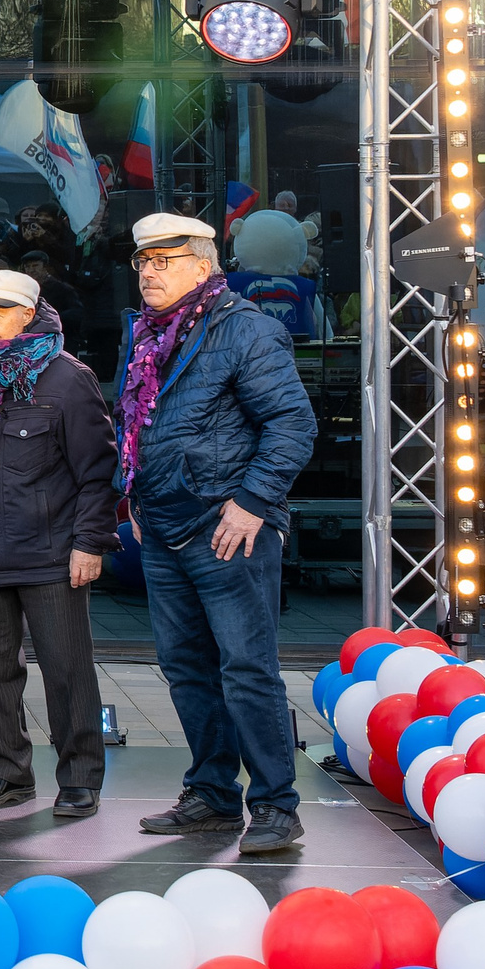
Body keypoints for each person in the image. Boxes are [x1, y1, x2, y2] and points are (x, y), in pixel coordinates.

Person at [115, 211, 317, 853]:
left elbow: (293, 425)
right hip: (167, 527)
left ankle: (278, 807)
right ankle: (212, 794)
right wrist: (140, 501)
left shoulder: (246, 331)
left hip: (229, 529)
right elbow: (145, 427)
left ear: (204, 265)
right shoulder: (146, 336)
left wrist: (253, 502)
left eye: (164, 261)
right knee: (185, 669)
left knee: (247, 670)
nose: (149, 272)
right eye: (143, 262)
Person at [0, 270, 116, 818]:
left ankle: (80, 778)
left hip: (51, 554)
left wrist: (90, 542)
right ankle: (5, 772)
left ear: (28, 315)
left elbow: (99, 472)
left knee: (67, 668)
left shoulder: (66, 379)